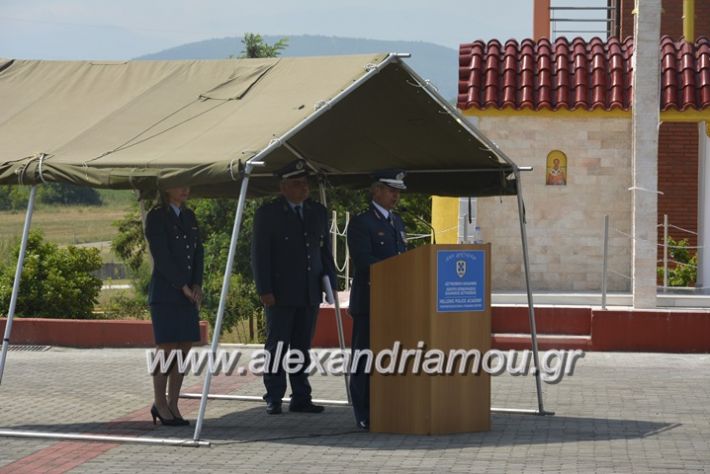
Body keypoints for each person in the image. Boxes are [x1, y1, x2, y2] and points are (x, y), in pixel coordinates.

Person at [251, 159, 336, 415]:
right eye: (297, 184)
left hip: (309, 291)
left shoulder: (317, 212)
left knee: (302, 347)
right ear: (283, 187)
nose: (304, 189)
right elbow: (260, 255)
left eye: (305, 184)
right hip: (280, 292)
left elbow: (324, 252)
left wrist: (331, 285)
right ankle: (274, 396)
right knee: (277, 345)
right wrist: (264, 289)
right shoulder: (269, 214)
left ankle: (301, 396)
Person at [346, 169, 407, 430]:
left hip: (394, 302)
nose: (396, 195)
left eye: (398, 191)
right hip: (369, 302)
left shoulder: (397, 222)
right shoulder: (362, 223)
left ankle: (388, 407)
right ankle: (363, 412)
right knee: (364, 358)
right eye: (391, 190)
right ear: (376, 191)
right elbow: (363, 261)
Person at [144, 186, 204, 427]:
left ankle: (173, 402)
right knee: (167, 348)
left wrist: (197, 283)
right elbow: (162, 256)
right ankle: (160, 402)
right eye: (179, 186)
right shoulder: (157, 216)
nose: (185, 190)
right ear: (166, 188)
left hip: (188, 293)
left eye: (187, 185)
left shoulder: (189, 216)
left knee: (184, 347)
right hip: (167, 293)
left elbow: (198, 251)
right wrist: (183, 286)